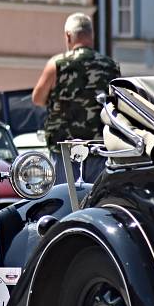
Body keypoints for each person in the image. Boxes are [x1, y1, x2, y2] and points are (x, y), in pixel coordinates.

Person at [32, 13, 120, 183]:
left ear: (68, 36)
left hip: (64, 149)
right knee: (96, 203)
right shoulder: (111, 66)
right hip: (99, 148)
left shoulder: (57, 64)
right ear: (91, 36)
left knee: (64, 201)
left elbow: (38, 98)